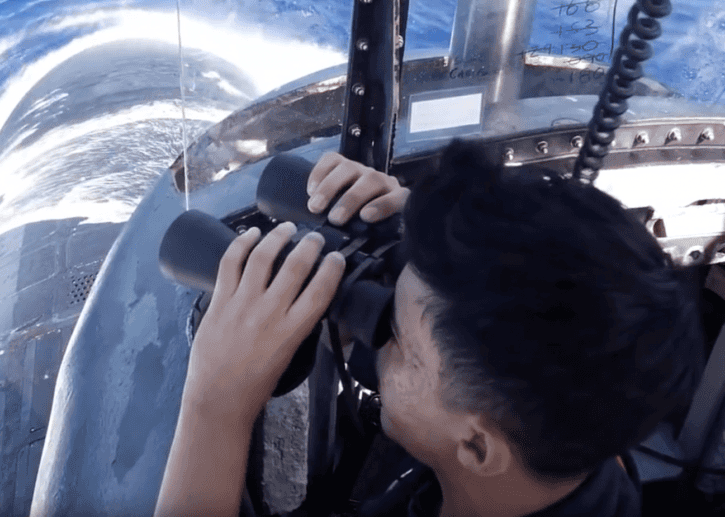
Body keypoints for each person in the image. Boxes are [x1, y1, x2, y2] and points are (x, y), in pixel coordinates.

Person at [154, 139, 705, 517]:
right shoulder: (584, 437)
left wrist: (215, 406)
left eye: (400, 342)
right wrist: (424, 240)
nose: (380, 344)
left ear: (476, 446)